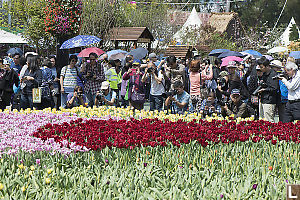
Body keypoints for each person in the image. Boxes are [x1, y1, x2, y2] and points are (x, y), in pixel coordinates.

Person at [256, 57, 279, 122]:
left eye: (261, 67)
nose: (260, 69)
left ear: (267, 66)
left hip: (269, 100)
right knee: (262, 120)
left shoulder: (273, 74)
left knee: (269, 120)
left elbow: (274, 88)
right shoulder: (264, 74)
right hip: (263, 99)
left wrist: (264, 90)